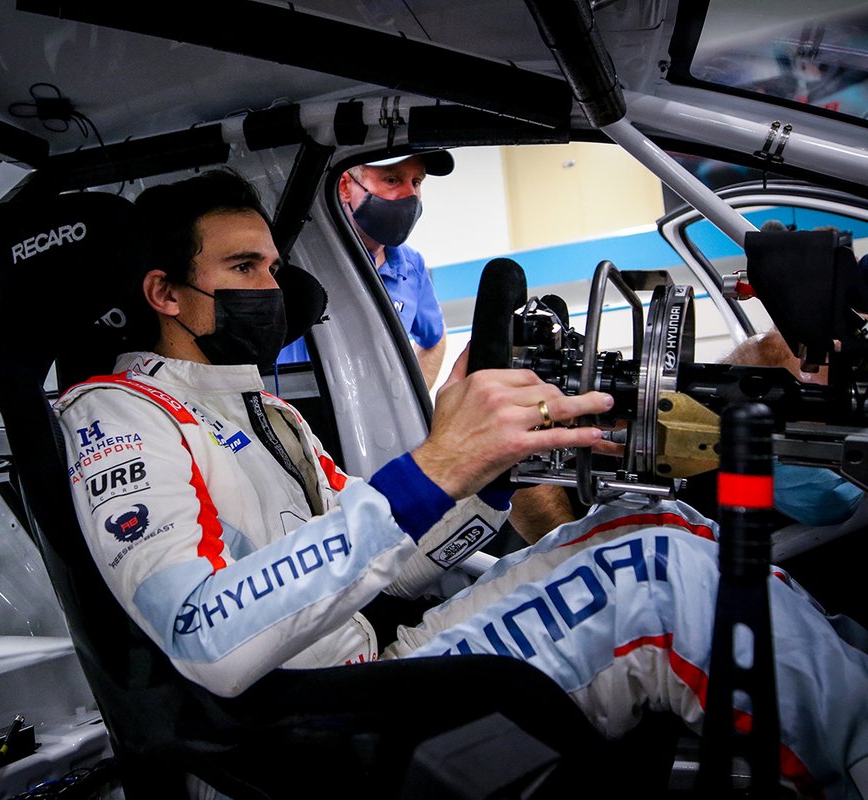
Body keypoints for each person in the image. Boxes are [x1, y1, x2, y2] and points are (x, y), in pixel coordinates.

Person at [55, 169, 868, 799]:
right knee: (660, 579)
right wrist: (430, 470)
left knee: (647, 530)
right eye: (242, 267)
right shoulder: (120, 416)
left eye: (272, 264)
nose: (272, 288)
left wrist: (482, 477)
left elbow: (396, 565)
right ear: (164, 293)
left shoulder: (270, 413)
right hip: (320, 708)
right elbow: (202, 636)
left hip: (379, 655)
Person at [279, 152, 449, 390]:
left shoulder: (412, 266)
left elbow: (434, 339)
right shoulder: (303, 258)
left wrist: (409, 406)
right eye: (392, 180)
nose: (410, 196)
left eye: (416, 182)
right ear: (346, 186)